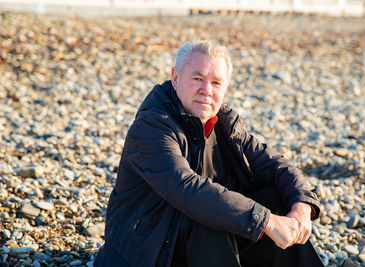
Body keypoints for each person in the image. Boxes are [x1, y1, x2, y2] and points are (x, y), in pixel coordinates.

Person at [94, 40, 324, 267]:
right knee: (208, 216)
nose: (206, 90)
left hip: (198, 249)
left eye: (216, 82)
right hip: (146, 252)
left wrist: (301, 208)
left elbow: (276, 165)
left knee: (274, 198)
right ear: (175, 78)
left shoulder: (225, 125)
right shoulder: (151, 127)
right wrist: (265, 222)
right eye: (197, 79)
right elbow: (187, 188)